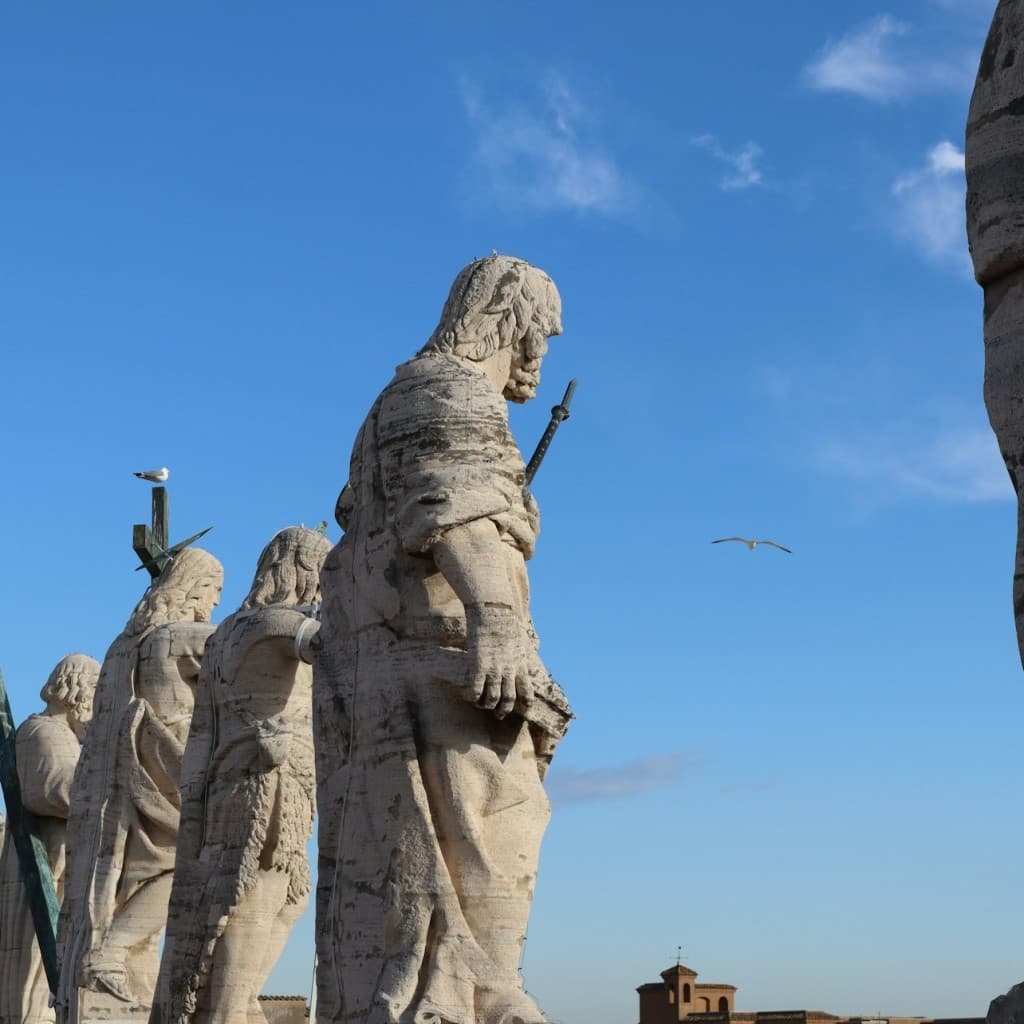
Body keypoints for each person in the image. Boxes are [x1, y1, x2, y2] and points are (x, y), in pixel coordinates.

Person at [314, 254, 572, 1024]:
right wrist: (495, 618)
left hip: (382, 666)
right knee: (492, 828)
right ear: (514, 320)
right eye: (545, 334)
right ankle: (479, 991)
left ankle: (467, 986)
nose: (543, 354)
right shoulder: (450, 391)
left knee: (410, 862)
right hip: (446, 665)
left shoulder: (393, 398)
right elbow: (457, 506)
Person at [152, 527, 331, 1024]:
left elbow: (203, 731)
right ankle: (230, 1009)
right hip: (270, 781)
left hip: (227, 779)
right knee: (258, 894)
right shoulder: (275, 624)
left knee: (283, 898)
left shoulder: (226, 632)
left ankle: (234, 1000)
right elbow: (334, 648)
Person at [56, 548, 224, 1024]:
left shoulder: (121, 645)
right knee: (186, 865)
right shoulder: (175, 636)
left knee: (147, 871)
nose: (212, 604)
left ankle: (110, 953)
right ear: (192, 589)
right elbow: (237, 643)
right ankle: (111, 951)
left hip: (118, 774)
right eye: (212, 592)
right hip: (161, 762)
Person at [0, 653, 100, 1024]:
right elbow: (51, 791)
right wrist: (105, 791)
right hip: (42, 866)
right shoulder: (43, 732)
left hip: (60, 866)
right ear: (78, 692)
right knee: (36, 981)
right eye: (94, 695)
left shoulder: (65, 737)